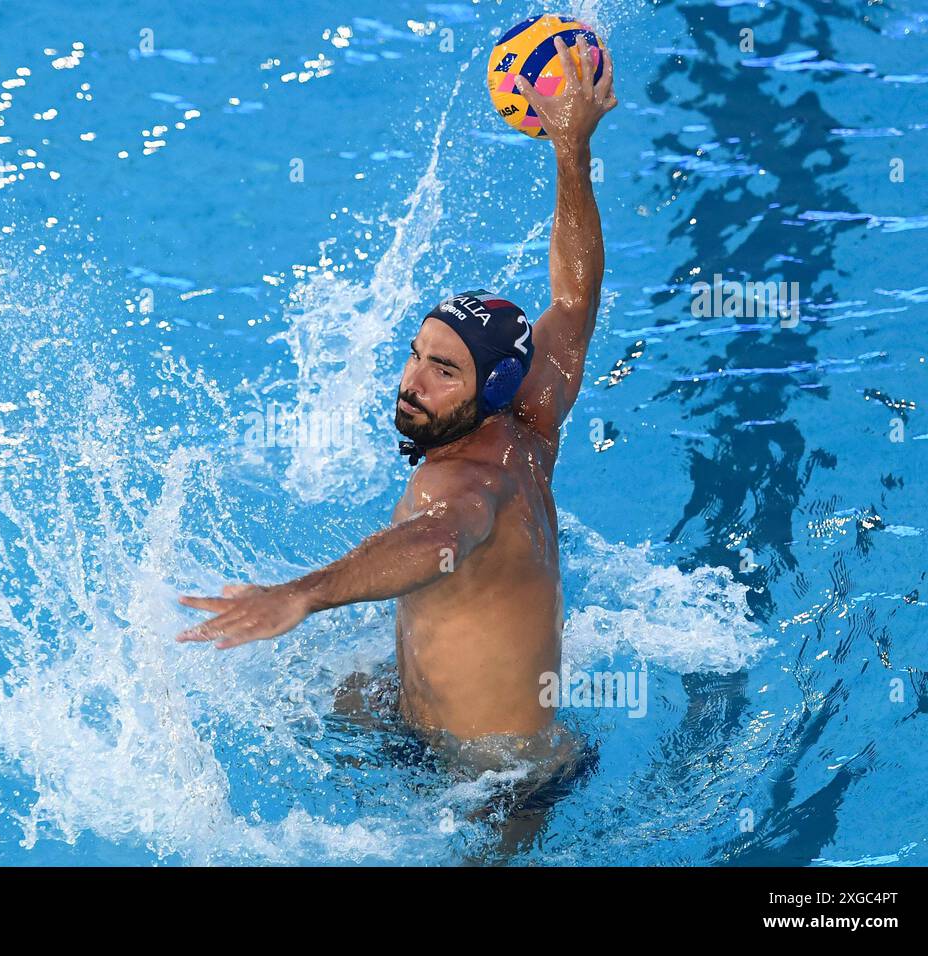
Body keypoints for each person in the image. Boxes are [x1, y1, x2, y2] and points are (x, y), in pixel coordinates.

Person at [178, 37, 617, 829]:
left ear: (494, 387)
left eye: (443, 371)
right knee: (328, 696)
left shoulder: (473, 483)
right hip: (421, 722)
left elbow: (435, 539)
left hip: (500, 781)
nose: (411, 383)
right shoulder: (531, 420)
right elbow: (576, 296)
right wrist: (571, 148)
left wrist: (302, 594)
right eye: (417, 355)